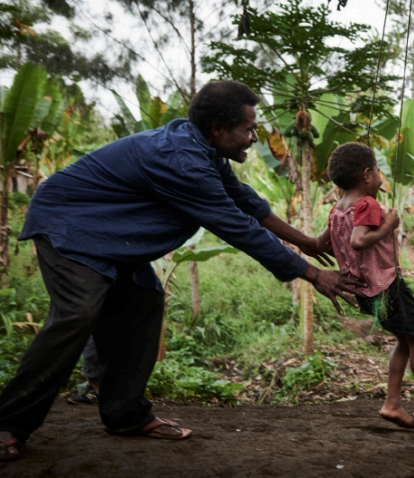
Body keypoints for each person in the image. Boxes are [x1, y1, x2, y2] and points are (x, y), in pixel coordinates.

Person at [0, 80, 363, 461]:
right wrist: (313, 274)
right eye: (248, 129)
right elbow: (235, 226)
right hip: (69, 225)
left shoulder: (205, 151)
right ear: (218, 130)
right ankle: (9, 422)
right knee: (78, 313)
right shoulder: (182, 160)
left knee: (144, 301)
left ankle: (125, 414)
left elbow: (246, 203)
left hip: (111, 235)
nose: (253, 138)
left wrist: (305, 241)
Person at [317, 142, 414, 429]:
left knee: (405, 339)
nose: (380, 177)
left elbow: (322, 243)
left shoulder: (338, 209)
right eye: (377, 171)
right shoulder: (367, 204)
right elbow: (358, 240)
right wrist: (389, 225)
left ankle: (393, 403)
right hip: (387, 287)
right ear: (366, 175)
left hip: (364, 289)